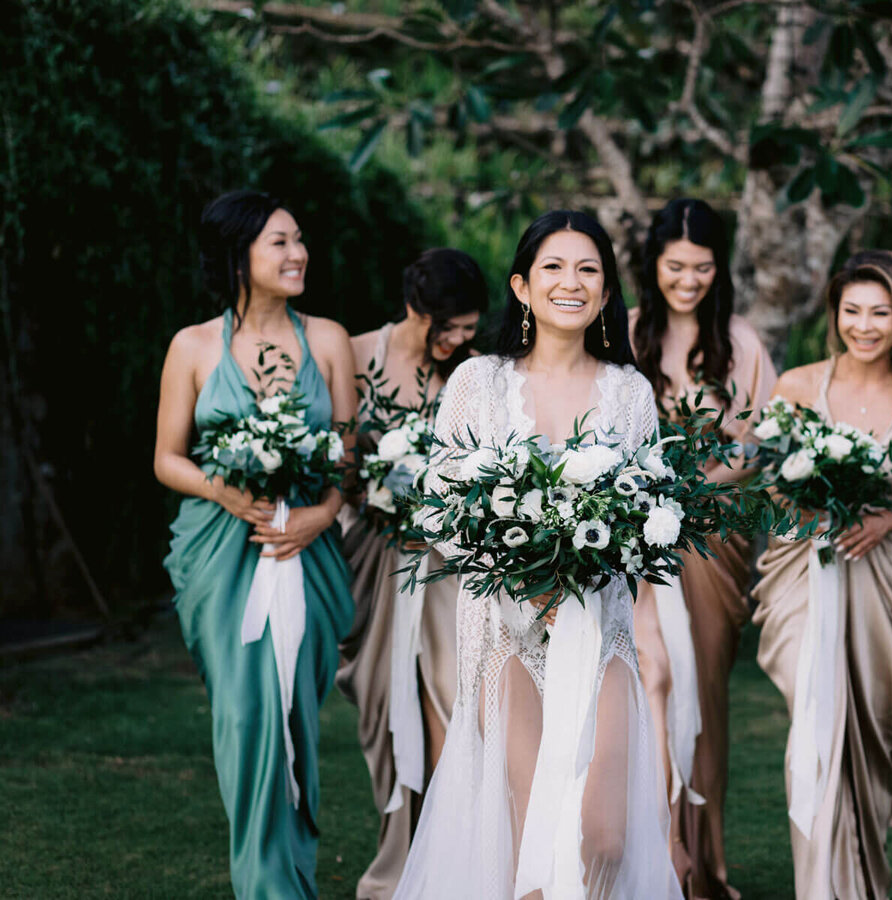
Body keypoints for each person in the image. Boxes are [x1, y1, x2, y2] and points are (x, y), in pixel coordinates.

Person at [393, 210, 683, 900]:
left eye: (588, 269)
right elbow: (440, 509)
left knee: (604, 837)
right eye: (553, 267)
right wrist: (525, 573)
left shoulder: (630, 393)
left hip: (601, 629)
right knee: (532, 845)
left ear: (607, 292)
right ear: (522, 286)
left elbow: (650, 518)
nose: (571, 283)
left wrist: (594, 563)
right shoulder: (478, 383)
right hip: (505, 632)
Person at [154, 189, 356, 898]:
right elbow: (167, 458)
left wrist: (321, 514)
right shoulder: (192, 346)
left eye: (299, 239)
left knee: (297, 718)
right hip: (222, 552)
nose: (297, 253)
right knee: (244, 717)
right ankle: (263, 886)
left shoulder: (328, 341)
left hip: (305, 553)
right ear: (236, 254)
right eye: (279, 241)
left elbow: (349, 456)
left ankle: (290, 876)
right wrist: (223, 490)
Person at [751, 250, 892, 899]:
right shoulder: (800, 386)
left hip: (879, 575)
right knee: (814, 724)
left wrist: (886, 521)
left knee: (871, 735)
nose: (865, 326)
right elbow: (773, 480)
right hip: (805, 571)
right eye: (853, 311)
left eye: (881, 313)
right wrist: (808, 503)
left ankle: (864, 883)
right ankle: (818, 887)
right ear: (835, 314)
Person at [628, 198, 776, 899]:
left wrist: (695, 488)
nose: (689, 280)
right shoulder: (624, 335)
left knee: (702, 693)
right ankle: (650, 855)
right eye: (676, 266)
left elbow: (756, 444)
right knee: (642, 691)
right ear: (653, 265)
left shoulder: (740, 342)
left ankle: (706, 865)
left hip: (713, 538)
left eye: (703, 267)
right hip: (633, 544)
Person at [336, 248, 490, 899]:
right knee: (380, 709)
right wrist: (373, 490)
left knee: (458, 702)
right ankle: (401, 855)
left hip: (446, 565)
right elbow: (336, 456)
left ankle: (459, 860)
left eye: (468, 329)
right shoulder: (353, 353)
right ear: (415, 310)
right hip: (373, 554)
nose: (458, 341)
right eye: (447, 328)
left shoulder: (474, 373)